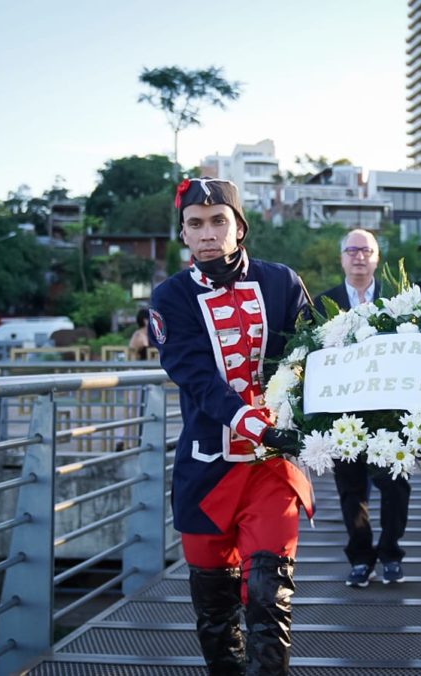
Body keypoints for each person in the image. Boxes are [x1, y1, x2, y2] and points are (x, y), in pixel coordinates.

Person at [149, 177, 311, 675]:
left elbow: (310, 355)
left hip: (270, 467)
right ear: (183, 234)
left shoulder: (281, 281)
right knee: (216, 618)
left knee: (268, 598)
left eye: (218, 221)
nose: (207, 233)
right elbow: (193, 373)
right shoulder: (169, 297)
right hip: (205, 469)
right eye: (195, 224)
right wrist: (248, 420)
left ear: (239, 227)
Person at [313, 228, 412, 587]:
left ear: (376, 257)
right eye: (352, 250)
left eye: (366, 250)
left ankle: (390, 553)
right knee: (351, 489)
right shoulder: (324, 304)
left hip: (390, 413)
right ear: (342, 257)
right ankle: (360, 557)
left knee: (395, 485)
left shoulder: (400, 301)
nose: (359, 256)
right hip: (344, 414)